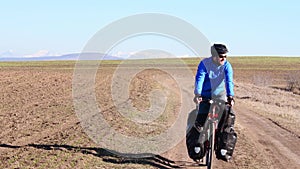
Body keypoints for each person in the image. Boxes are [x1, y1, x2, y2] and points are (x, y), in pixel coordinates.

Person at [190, 43, 236, 161]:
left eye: (225, 56)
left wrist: (230, 96)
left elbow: (229, 81)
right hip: (205, 94)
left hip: (220, 95)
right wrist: (198, 94)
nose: (223, 59)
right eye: (221, 56)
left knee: (226, 118)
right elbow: (199, 79)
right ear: (214, 56)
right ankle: (199, 149)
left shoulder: (227, 66)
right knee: (200, 121)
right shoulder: (204, 64)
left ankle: (221, 145)